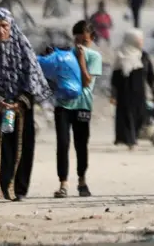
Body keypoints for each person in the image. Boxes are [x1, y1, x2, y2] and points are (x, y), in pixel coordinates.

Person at [0, 8, 52, 202]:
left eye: (4, 26)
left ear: (11, 27)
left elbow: (33, 78)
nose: (0, 31)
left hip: (20, 108)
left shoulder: (23, 48)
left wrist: (19, 102)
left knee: (21, 147)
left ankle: (19, 189)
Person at [53, 20, 103, 198]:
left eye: (85, 41)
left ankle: (82, 180)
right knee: (63, 143)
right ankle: (63, 183)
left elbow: (87, 81)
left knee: (81, 145)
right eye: (77, 40)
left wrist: (81, 60)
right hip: (63, 104)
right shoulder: (66, 55)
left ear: (91, 39)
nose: (80, 44)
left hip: (83, 105)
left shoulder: (94, 56)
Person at [111, 29, 154, 150]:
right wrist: (113, 94)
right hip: (124, 94)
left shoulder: (144, 56)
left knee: (140, 117)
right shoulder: (121, 56)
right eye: (139, 39)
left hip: (140, 94)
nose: (141, 41)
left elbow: (151, 76)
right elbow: (115, 78)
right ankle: (131, 142)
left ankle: (136, 138)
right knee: (128, 117)